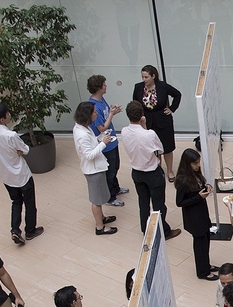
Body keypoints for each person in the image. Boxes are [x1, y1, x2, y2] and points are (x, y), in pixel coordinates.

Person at [121, 100, 181, 238]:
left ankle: (145, 230)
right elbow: (160, 150)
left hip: (136, 172)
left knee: (143, 202)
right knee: (159, 204)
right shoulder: (149, 134)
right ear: (142, 114)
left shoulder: (124, 131)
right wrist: (145, 126)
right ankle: (163, 231)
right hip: (152, 172)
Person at [0, 103, 43, 244]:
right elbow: (25, 149)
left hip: (6, 175)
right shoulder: (11, 135)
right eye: (7, 113)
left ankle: (15, 230)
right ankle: (30, 231)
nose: (9, 114)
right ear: (3, 119)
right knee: (30, 204)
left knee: (16, 202)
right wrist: (19, 151)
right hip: (21, 174)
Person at [72, 101, 119, 236]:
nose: (96, 113)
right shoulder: (82, 134)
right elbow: (89, 155)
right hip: (93, 170)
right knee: (96, 201)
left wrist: (100, 139)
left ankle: (102, 218)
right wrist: (103, 143)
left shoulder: (82, 127)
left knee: (99, 197)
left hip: (96, 167)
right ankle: (100, 227)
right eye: (94, 112)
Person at [132, 64, 181, 181]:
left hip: (163, 119)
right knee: (153, 147)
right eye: (142, 77)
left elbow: (177, 94)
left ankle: (169, 171)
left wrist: (172, 108)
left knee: (167, 147)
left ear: (153, 76)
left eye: (146, 77)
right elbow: (135, 103)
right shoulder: (138, 87)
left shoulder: (162, 86)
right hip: (147, 120)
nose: (144, 80)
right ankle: (158, 169)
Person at [174, 148, 217, 280]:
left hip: (202, 213)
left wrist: (206, 187)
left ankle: (206, 264)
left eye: (198, 162)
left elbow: (199, 187)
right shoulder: (182, 180)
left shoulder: (196, 175)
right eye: (195, 163)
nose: (198, 166)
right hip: (193, 217)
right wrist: (198, 197)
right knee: (200, 245)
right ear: (188, 164)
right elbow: (179, 202)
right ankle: (202, 272)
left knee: (206, 240)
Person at [87, 75, 128, 206]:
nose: (106, 86)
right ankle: (110, 197)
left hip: (112, 140)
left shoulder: (101, 100)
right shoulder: (94, 106)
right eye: (104, 85)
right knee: (110, 172)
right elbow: (101, 128)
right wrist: (111, 114)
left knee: (115, 167)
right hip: (105, 144)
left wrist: (111, 111)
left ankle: (116, 188)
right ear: (99, 88)